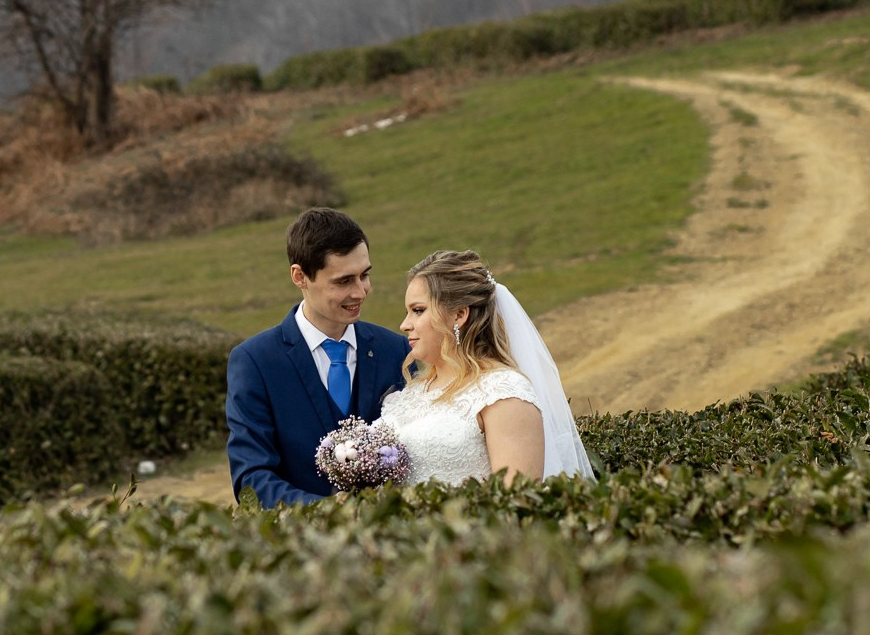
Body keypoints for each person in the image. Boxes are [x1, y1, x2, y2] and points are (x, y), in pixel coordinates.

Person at [226, 208, 410, 507]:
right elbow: (251, 478)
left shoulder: (396, 350)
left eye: (364, 275)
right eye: (344, 281)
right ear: (300, 277)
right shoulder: (255, 362)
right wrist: (325, 511)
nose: (361, 292)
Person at [383, 249, 596, 485]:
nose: (405, 325)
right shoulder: (413, 392)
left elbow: (517, 497)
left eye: (418, 310)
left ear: (459, 315)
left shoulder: (502, 392)